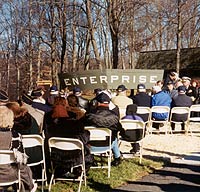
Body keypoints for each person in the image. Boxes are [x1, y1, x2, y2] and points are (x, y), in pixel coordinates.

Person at [43, 96, 93, 177]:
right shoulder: (73, 117)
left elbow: (45, 132)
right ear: (65, 104)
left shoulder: (48, 117)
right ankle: (79, 171)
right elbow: (82, 135)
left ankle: (61, 171)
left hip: (54, 155)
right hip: (74, 155)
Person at [0, 106, 37, 192]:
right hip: (9, 174)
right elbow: (22, 160)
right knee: (23, 166)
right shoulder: (15, 136)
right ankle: (28, 186)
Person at [84, 92, 125, 166]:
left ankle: (90, 159)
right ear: (109, 103)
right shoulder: (114, 116)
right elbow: (120, 129)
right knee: (114, 136)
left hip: (90, 146)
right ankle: (117, 158)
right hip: (108, 145)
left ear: (97, 103)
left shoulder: (89, 115)